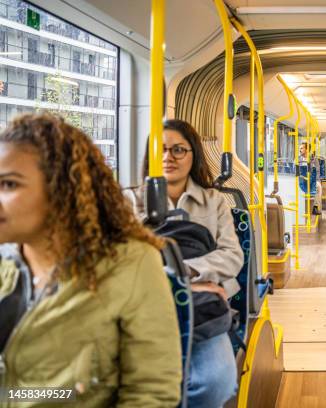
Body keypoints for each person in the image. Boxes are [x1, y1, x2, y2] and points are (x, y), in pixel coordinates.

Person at [0, 113, 182, 406]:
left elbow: (151, 393)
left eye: (9, 185)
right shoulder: (5, 265)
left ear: (60, 190)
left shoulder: (130, 264)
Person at [136, 119, 242, 408]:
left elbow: (232, 255)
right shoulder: (129, 201)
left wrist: (185, 272)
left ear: (193, 154)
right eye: (161, 150)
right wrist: (184, 284)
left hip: (203, 308)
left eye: (179, 150)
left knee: (214, 382)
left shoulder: (215, 202)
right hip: (143, 306)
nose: (168, 157)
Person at [299, 142, 323, 215]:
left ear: (307, 150)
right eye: (300, 148)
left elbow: (317, 172)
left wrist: (316, 180)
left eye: (301, 148)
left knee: (318, 186)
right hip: (301, 179)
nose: (300, 150)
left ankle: (315, 207)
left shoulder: (314, 160)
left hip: (312, 179)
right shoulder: (298, 159)